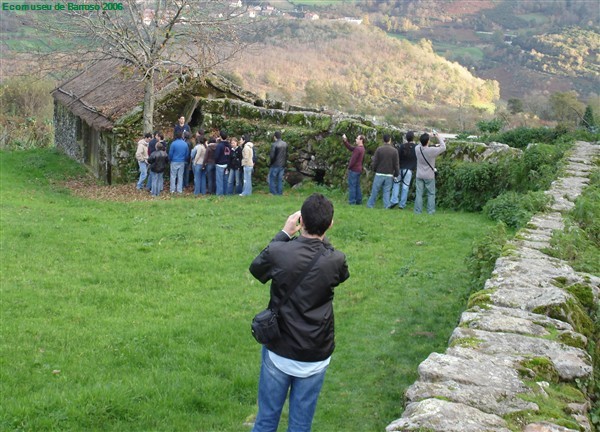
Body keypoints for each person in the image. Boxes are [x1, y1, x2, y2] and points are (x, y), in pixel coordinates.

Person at [249, 193, 350, 432]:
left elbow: (256, 269)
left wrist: (284, 233)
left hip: (280, 347)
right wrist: (322, 243)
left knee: (266, 419)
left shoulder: (279, 252)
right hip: (316, 349)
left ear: (300, 221)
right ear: (331, 224)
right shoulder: (336, 259)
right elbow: (341, 276)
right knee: (300, 425)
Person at [414, 131, 446, 215]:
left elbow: (420, 143)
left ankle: (418, 211)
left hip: (419, 174)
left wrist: (428, 137)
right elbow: (443, 147)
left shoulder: (417, 149)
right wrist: (438, 137)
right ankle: (430, 211)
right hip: (429, 175)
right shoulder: (431, 150)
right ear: (428, 141)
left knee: (419, 193)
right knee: (431, 194)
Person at [366, 134, 399, 209]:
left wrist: (374, 169)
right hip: (389, 174)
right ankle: (386, 206)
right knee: (387, 192)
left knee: (375, 191)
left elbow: (375, 162)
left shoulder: (379, 149)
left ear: (383, 140)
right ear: (390, 140)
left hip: (379, 173)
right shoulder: (394, 151)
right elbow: (396, 164)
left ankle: (370, 205)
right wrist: (396, 174)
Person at [389, 131, 417, 209]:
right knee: (405, 187)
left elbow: (397, 158)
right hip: (409, 170)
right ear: (413, 138)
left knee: (396, 184)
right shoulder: (416, 147)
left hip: (400, 168)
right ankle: (402, 204)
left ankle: (394, 200)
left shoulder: (402, 146)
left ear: (406, 138)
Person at [342, 133, 365, 205]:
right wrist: (345, 141)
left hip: (354, 170)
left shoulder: (358, 149)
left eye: (357, 138)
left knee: (352, 186)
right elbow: (351, 148)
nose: (356, 139)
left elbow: (353, 160)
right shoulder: (362, 148)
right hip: (358, 170)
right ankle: (359, 201)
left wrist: (349, 168)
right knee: (357, 186)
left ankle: (352, 201)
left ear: (361, 140)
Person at [268, 131, 287, 195]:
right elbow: (286, 155)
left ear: (274, 137)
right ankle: (279, 192)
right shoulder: (285, 144)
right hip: (282, 164)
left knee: (272, 179)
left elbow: (272, 156)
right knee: (280, 179)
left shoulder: (274, 144)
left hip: (275, 164)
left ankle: (273, 192)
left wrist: (271, 163)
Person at [214, 130, 231, 196]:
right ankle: (226, 193)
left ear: (220, 137)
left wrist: (216, 161)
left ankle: (219, 194)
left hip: (220, 164)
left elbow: (216, 156)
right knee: (225, 180)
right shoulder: (229, 145)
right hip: (227, 164)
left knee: (219, 180)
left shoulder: (219, 145)